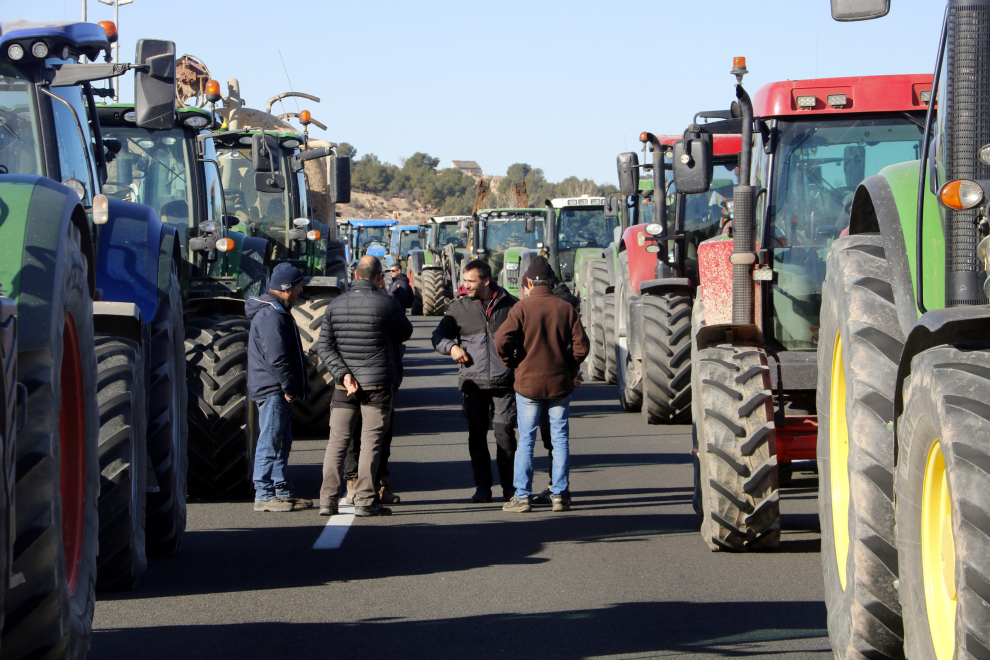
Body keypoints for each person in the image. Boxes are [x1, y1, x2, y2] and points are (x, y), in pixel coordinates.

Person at [318, 255, 413, 517]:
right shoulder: (386, 302)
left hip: (344, 387)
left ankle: (327, 499)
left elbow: (324, 346)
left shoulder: (335, 305)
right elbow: (405, 332)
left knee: (337, 441)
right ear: (379, 276)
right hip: (378, 384)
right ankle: (365, 500)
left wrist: (343, 374)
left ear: (356, 276)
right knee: (371, 441)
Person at [495, 256, 589, 513]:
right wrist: (569, 367)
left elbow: (502, 339)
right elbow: (582, 347)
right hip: (559, 384)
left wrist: (513, 360)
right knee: (560, 439)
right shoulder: (566, 309)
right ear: (553, 281)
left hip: (527, 384)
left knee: (526, 439)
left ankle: (522, 496)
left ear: (526, 281)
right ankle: (559, 494)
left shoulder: (521, 308)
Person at [432, 259, 518, 503]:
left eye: (471, 281)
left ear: (486, 280)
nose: (465, 285)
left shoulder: (512, 306)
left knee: (506, 437)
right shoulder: (458, 308)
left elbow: (526, 339)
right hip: (474, 384)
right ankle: (483, 487)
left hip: (504, 384)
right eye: (464, 280)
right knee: (477, 438)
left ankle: (510, 489)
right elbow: (438, 336)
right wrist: (451, 347)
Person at [246, 263, 312, 512]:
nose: (301, 289)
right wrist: (289, 385)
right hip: (273, 387)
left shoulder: (275, 311)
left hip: (276, 386)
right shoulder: (271, 315)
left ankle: (281, 490)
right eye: (298, 285)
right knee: (270, 440)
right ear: (286, 289)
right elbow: (277, 357)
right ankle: (264, 494)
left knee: (281, 440)